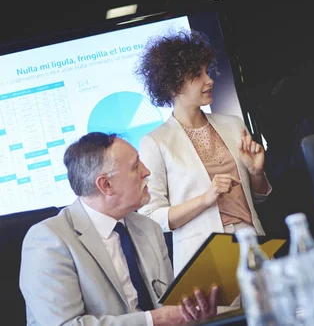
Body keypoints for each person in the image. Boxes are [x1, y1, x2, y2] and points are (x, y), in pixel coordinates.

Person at [20, 132, 218, 326]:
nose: (146, 172)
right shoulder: (49, 240)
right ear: (106, 185)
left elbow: (169, 308)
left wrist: (192, 315)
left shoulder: (148, 228)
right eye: (135, 166)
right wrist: (153, 320)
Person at [136, 30, 271, 276]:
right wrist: (205, 199)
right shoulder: (155, 142)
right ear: (173, 83)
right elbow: (150, 216)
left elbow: (258, 197)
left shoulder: (233, 125)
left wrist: (256, 173)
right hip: (204, 257)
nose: (209, 80)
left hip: (253, 243)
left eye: (207, 71)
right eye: (197, 75)